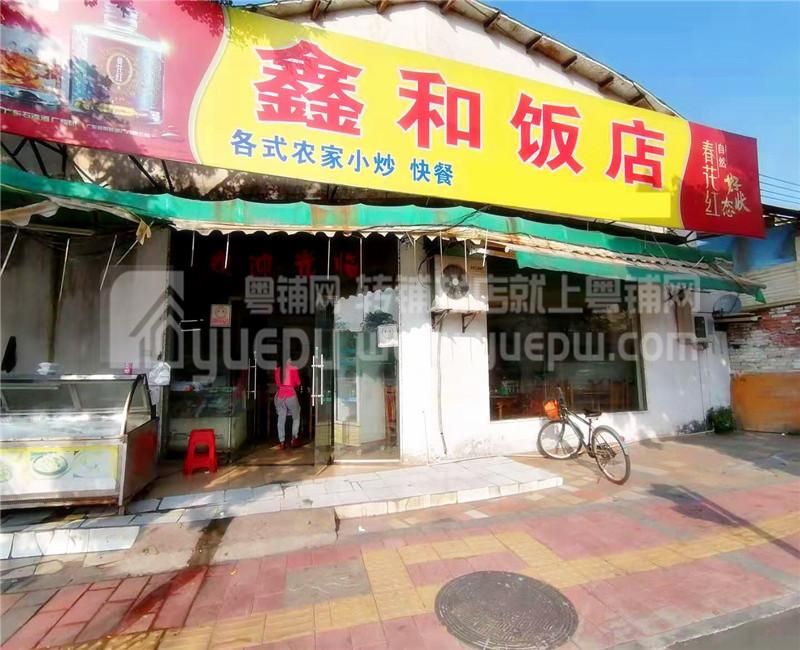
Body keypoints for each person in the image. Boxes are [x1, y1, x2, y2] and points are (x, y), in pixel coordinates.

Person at [274, 357, 301, 449]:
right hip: (290, 395)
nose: (291, 360)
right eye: (290, 359)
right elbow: (298, 382)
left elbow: (277, 384)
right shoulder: (293, 368)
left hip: (280, 397)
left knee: (281, 419)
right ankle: (294, 438)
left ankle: (282, 442)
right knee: (296, 416)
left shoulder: (277, 369)